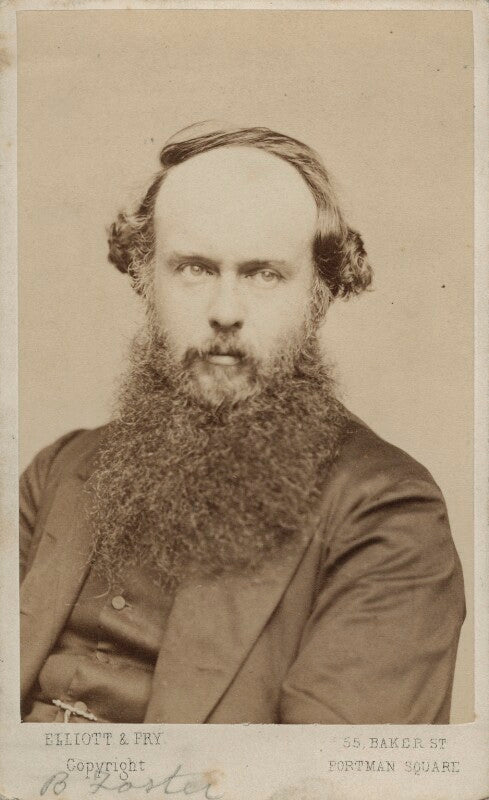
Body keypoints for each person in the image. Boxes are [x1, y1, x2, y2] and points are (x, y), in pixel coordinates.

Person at [20, 122, 465, 724]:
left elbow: (328, 771)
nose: (225, 311)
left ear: (319, 295)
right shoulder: (60, 470)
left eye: (264, 274)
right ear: (145, 278)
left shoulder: (388, 512)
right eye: (194, 269)